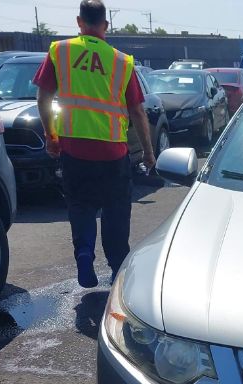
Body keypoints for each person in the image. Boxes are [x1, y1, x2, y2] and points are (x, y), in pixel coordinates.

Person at [34, 0, 155, 288]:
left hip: (75, 150)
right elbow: (137, 110)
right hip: (113, 151)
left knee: (81, 206)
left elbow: (44, 98)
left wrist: (51, 136)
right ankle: (116, 269)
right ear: (106, 25)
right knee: (115, 211)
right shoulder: (121, 61)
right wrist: (149, 153)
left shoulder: (60, 51)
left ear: (79, 22)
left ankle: (85, 254)